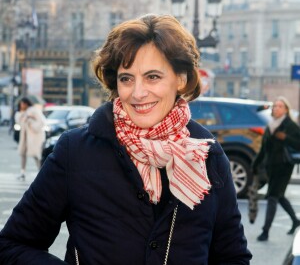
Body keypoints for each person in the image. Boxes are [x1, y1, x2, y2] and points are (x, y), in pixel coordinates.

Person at [0, 14, 252, 264]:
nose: (138, 93)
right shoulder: (75, 151)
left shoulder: (207, 155)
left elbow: (232, 257)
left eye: (153, 76)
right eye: (126, 78)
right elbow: (12, 244)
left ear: (181, 79)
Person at [253, 96, 300, 241]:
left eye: (280, 106)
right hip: (271, 167)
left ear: (285, 109)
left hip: (284, 167)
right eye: (275, 106)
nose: (276, 108)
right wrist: (256, 163)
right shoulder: (271, 125)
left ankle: (265, 231)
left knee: (272, 196)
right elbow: (264, 148)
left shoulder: (290, 126)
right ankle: (296, 221)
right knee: (279, 196)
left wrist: (285, 137)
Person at [14, 97, 46, 180]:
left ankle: (41, 173)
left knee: (36, 155)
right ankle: (22, 172)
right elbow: (19, 121)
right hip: (25, 137)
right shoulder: (21, 113)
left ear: (27, 103)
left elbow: (41, 122)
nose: (22, 105)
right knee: (23, 154)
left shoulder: (34, 110)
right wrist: (23, 115)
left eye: (23, 103)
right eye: (21, 104)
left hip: (35, 137)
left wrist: (30, 120)